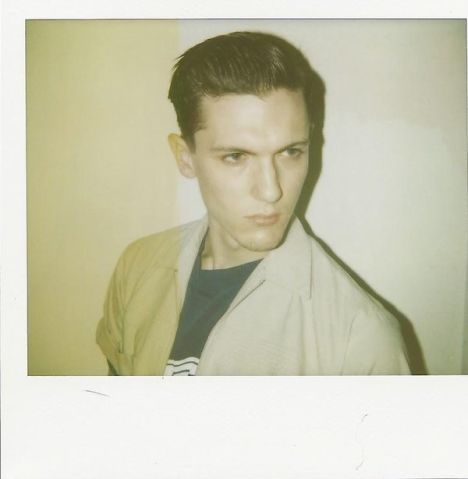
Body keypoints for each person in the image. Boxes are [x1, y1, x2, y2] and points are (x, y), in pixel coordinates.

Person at [96, 31, 410, 376]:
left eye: (291, 152)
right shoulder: (136, 268)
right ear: (185, 157)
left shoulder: (359, 339)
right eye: (236, 156)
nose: (271, 191)